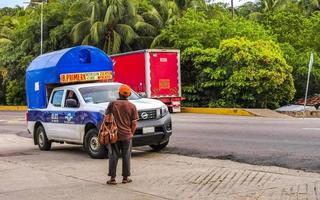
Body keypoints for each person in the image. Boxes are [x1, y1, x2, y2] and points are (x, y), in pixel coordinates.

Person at [106, 84, 139, 185]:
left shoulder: (112, 104)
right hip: (126, 135)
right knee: (126, 156)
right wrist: (131, 133)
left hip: (114, 135)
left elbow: (107, 118)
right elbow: (134, 123)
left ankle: (112, 179)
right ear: (129, 94)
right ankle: (125, 178)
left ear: (119, 93)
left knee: (113, 155)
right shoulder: (132, 106)